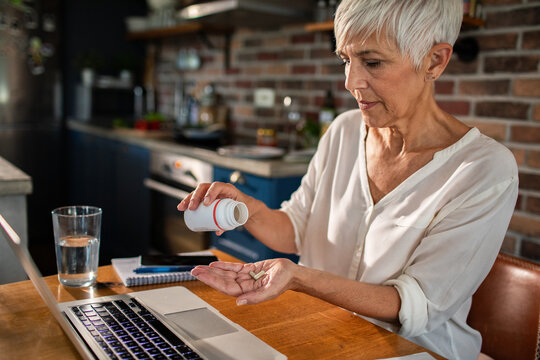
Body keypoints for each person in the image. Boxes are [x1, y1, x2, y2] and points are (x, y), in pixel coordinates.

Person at [177, 0, 518, 358]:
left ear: (435, 60)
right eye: (346, 60)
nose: (350, 81)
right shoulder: (343, 130)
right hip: (325, 337)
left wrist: (299, 277)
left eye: (372, 62)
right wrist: (248, 209)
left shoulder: (484, 168)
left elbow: (416, 304)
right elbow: (297, 228)